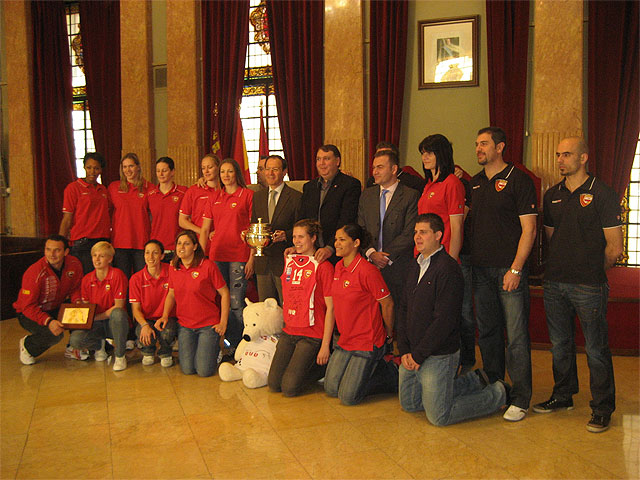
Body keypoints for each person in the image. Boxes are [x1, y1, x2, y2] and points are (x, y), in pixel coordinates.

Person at [533, 137, 623, 433]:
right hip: (555, 283)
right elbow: (551, 237)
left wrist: (592, 270)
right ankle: (563, 395)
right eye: (558, 154)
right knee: (560, 345)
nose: (560, 159)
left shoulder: (603, 193)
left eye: (567, 154)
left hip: (589, 285)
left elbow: (614, 247)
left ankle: (602, 408)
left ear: (584, 158)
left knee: (596, 349)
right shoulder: (552, 195)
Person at [397, 213, 508, 425]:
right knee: (411, 404)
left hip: (438, 353)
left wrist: (419, 355)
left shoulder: (448, 269)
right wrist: (404, 350)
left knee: (439, 416)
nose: (417, 237)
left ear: (438, 235)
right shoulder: (415, 265)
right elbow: (403, 309)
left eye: (423, 232)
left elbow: (444, 321)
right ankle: (473, 381)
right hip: (413, 351)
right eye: (415, 233)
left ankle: (498, 393)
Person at [470, 126, 537, 422]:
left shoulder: (518, 180)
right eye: (476, 144)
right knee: (488, 333)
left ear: (500, 147)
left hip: (509, 272)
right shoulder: (474, 183)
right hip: (480, 270)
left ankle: (521, 398)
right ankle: (497, 387)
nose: (478, 149)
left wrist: (515, 268)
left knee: (517, 336)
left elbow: (529, 229)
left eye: (484, 144)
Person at [324, 224, 397, 405]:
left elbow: (388, 303)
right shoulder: (338, 267)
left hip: (367, 340)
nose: (337, 244)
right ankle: (370, 370)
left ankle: (391, 375)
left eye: (342, 240)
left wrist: (388, 333)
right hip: (346, 339)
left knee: (348, 397)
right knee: (331, 389)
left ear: (356, 243)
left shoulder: (368, 271)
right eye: (336, 239)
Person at [268, 219, 335, 396]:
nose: (297, 241)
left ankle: (324, 367)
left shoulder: (324, 267)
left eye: (301, 237)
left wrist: (325, 346)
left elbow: (331, 308)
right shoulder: (289, 260)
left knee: (289, 388)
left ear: (313, 238)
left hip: (312, 335)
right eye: (294, 237)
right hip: (290, 331)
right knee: (274, 384)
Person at [357, 149, 419, 328]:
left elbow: (409, 233)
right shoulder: (367, 195)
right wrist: (371, 253)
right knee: (372, 315)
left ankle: (396, 350)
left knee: (399, 314)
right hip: (370, 265)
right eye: (374, 167)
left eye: (380, 167)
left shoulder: (410, 195)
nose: (374, 171)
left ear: (393, 169)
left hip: (398, 265)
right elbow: (360, 228)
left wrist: (385, 256)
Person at [199, 158, 254, 352]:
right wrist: (200, 257)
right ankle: (226, 342)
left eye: (230, 171)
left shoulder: (247, 195)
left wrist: (251, 258)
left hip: (239, 255)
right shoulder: (214, 197)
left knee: (237, 303)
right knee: (220, 301)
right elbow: (205, 229)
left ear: (236, 173)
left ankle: (239, 346)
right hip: (216, 256)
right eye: (222, 172)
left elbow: (254, 230)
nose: (226, 175)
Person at [159, 230, 230, 377]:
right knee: (188, 369)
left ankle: (217, 351)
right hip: (185, 326)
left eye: (186, 243)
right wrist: (165, 315)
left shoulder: (208, 266)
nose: (181, 247)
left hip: (207, 325)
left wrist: (223, 322)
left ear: (195, 246)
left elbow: (224, 293)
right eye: (179, 243)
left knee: (204, 371)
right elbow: (171, 294)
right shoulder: (174, 267)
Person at [14, 235, 83, 364]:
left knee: (82, 315)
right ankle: (28, 346)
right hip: (29, 312)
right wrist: (48, 321)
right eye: (48, 249)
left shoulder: (74, 264)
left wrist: (78, 303)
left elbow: (75, 288)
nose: (52, 254)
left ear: (66, 252)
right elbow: (27, 306)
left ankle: (72, 348)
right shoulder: (34, 272)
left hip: (56, 306)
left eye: (57, 250)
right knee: (54, 334)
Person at [69, 241, 129, 371]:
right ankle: (99, 345)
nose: (97, 259)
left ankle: (120, 356)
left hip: (114, 322)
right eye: (94, 255)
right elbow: (87, 309)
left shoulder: (117, 275)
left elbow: (118, 306)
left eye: (101, 256)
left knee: (118, 313)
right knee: (75, 340)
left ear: (110, 259)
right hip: (96, 323)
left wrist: (95, 318)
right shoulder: (86, 279)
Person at [250, 154, 301, 304]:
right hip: (263, 262)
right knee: (265, 310)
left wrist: (287, 235)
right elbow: (255, 224)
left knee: (287, 305)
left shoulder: (296, 197)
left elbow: (303, 227)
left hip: (285, 260)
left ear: (284, 172)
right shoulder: (257, 197)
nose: (270, 173)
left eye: (275, 169)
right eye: (267, 169)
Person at [299, 145, 362, 264]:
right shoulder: (309, 187)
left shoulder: (350, 184)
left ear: (337, 161)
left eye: (326, 159)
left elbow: (346, 220)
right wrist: (299, 244)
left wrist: (330, 247)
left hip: (337, 252)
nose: (321, 163)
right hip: (312, 252)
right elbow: (303, 220)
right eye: (318, 159)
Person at [59, 152, 111, 275]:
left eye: (96, 168)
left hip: (102, 241)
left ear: (101, 170)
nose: (92, 171)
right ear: (84, 167)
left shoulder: (103, 190)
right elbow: (67, 218)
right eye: (89, 167)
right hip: (83, 242)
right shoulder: (73, 188)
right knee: (85, 279)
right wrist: (60, 243)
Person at [129, 239, 177, 367]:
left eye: (155, 253)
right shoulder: (136, 278)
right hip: (147, 318)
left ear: (162, 256)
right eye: (147, 253)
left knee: (167, 331)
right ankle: (147, 351)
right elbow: (135, 309)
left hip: (167, 317)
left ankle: (165, 352)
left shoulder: (171, 271)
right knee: (142, 331)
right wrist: (144, 325)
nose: (150, 257)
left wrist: (165, 316)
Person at [417, 134, 465, 260]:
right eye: (423, 153)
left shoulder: (452, 183)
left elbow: (457, 226)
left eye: (430, 153)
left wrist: (452, 261)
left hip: (443, 254)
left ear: (441, 155)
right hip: (425, 253)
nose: (425, 157)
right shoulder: (428, 185)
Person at [108, 153, 154, 278]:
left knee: (142, 280)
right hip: (120, 243)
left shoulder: (149, 188)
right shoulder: (113, 188)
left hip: (141, 242)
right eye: (124, 167)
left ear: (138, 167)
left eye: (131, 166)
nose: (128, 170)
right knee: (122, 281)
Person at [148, 157, 187, 263]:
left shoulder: (183, 192)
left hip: (177, 247)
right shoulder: (150, 194)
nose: (161, 174)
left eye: (164, 170)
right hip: (156, 248)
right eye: (158, 171)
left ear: (172, 172)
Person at [179, 153, 221, 238]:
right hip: (199, 239)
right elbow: (182, 221)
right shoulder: (194, 190)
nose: (206, 171)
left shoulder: (225, 190)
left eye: (210, 167)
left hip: (221, 239)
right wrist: (203, 232)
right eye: (203, 168)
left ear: (218, 167)